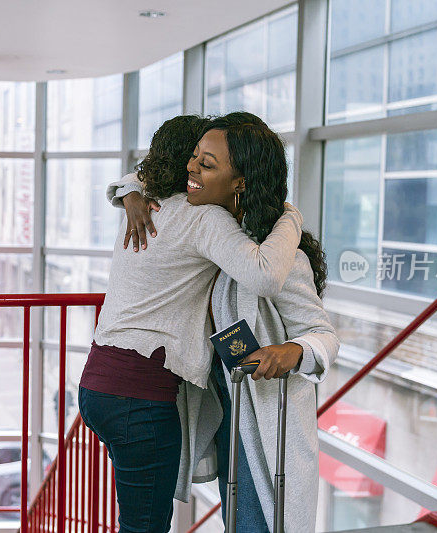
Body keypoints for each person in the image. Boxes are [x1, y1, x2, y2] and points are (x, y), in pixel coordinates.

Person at [109, 111, 339, 532]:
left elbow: (323, 334)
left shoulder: (280, 257)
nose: (191, 169)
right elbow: (152, 172)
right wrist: (131, 191)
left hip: (267, 425)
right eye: (194, 158)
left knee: (260, 522)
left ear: (241, 182)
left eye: (206, 164)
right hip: (226, 414)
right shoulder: (215, 239)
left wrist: (294, 351)